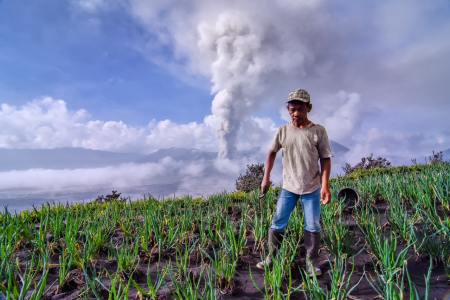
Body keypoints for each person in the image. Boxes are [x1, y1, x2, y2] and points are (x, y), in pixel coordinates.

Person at [256, 88, 333, 277]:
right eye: (292, 110)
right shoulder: (283, 130)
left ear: (309, 108)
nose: (296, 114)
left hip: (312, 188)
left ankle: (311, 263)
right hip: (289, 188)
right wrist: (266, 178)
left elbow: (325, 158)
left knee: (313, 226)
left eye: (300, 109)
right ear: (288, 109)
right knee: (278, 222)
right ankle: (271, 259)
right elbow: (272, 152)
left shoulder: (318, 131)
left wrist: (325, 186)